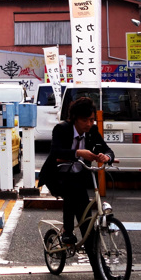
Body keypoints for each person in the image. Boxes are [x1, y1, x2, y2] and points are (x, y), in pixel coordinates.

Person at [38, 96, 114, 264]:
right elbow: (56, 152)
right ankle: (68, 231)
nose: (89, 124)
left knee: (87, 223)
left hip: (78, 179)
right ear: (75, 119)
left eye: (92, 120)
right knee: (75, 195)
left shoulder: (92, 131)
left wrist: (106, 156)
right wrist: (78, 153)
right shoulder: (61, 129)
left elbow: (107, 149)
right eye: (85, 120)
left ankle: (99, 270)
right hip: (56, 177)